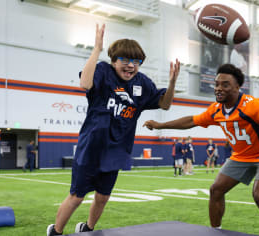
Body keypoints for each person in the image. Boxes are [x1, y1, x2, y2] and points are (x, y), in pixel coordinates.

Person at [47, 23, 180, 236]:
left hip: (117, 150)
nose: (131, 66)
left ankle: (87, 228)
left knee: (103, 197)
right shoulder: (103, 71)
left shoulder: (143, 84)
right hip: (92, 146)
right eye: (125, 61)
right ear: (113, 60)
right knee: (77, 196)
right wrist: (97, 49)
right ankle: (56, 231)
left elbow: (164, 104)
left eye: (136, 62)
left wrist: (172, 82)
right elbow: (84, 83)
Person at [143, 63, 259, 236]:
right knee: (216, 190)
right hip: (241, 156)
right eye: (216, 84)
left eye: (225, 84)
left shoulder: (250, 105)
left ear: (238, 87)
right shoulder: (216, 109)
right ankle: (215, 232)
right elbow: (191, 121)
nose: (218, 88)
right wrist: (161, 125)